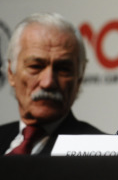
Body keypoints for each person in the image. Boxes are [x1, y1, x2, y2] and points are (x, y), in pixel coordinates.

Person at [0, 12, 104, 155]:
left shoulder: (100, 151)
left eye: (63, 69)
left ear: (79, 77)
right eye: (35, 66)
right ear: (11, 73)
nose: (48, 83)